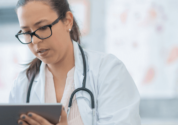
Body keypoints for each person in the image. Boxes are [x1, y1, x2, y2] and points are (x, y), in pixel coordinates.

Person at [9, 0, 141, 125]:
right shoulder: (23, 84)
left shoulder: (108, 71)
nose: (35, 41)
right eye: (26, 32)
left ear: (68, 21)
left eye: (43, 27)